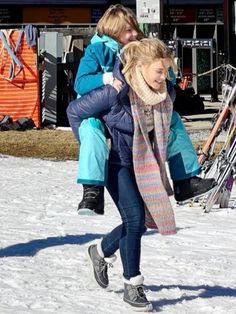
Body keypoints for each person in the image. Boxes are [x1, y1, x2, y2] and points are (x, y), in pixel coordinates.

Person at [73, 4, 215, 216]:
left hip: (133, 112)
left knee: (173, 121)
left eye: (134, 29)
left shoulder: (141, 49)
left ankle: (185, 180)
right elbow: (80, 83)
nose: (133, 34)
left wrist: (165, 75)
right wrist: (105, 78)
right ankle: (92, 191)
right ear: (113, 29)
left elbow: (161, 73)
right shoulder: (98, 50)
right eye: (127, 30)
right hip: (102, 112)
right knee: (90, 129)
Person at [67, 37, 177, 312]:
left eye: (166, 71)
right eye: (159, 71)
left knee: (137, 224)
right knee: (134, 219)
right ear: (140, 67)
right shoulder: (114, 91)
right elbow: (74, 111)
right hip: (116, 162)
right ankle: (132, 284)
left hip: (145, 163)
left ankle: (100, 252)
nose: (164, 77)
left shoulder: (166, 93)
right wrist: (91, 143)